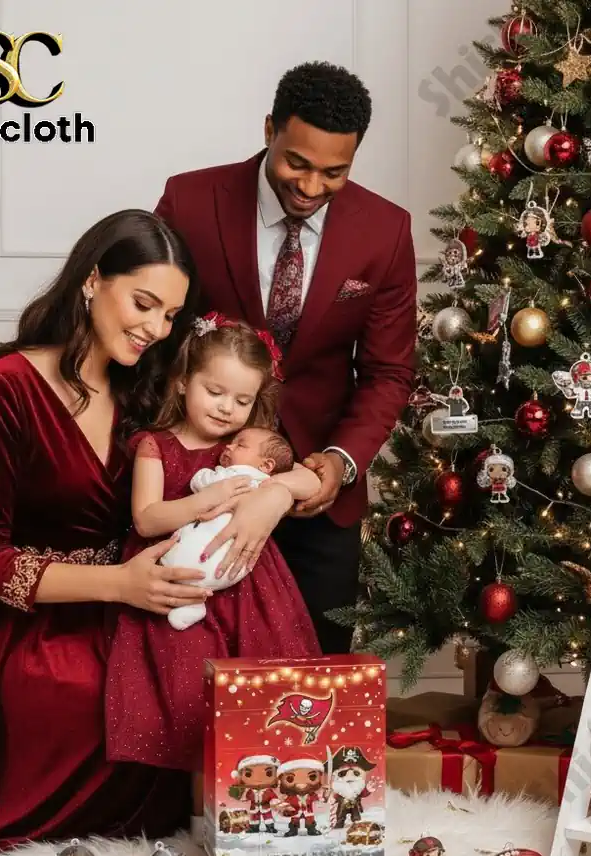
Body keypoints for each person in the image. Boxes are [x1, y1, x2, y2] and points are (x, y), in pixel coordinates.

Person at [0, 210, 296, 856]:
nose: (154, 329)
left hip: (135, 611)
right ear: (92, 280)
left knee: (207, 685)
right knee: (97, 694)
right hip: (32, 625)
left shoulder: (148, 391)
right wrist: (121, 583)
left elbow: (239, 457)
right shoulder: (0, 390)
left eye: (170, 316)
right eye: (143, 303)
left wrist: (278, 491)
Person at [154, 61, 417, 652]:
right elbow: (153, 332)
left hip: (316, 497)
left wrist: (337, 463)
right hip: (192, 485)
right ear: (270, 127)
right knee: (185, 668)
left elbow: (388, 372)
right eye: (296, 163)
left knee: (315, 681)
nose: (311, 186)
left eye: (334, 172)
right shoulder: (190, 200)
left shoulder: (385, 231)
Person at [104, 314, 322, 834]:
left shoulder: (253, 449)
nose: (226, 409)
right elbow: (147, 517)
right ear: (183, 382)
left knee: (260, 694)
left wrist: (278, 489)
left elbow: (310, 484)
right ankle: (195, 821)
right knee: (189, 699)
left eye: (242, 401)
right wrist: (208, 499)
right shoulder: (156, 445)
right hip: (180, 588)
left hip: (250, 585)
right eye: (215, 391)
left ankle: (254, 820)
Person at [159, 423, 299, 630]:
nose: (229, 448)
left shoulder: (238, 475)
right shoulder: (268, 485)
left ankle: (193, 599)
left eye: (240, 446)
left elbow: (202, 483)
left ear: (266, 465)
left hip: (212, 543)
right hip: (235, 561)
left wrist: (203, 475)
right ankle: (196, 600)